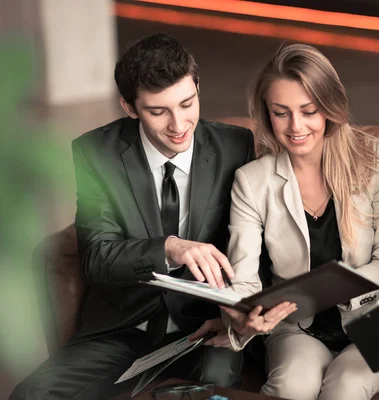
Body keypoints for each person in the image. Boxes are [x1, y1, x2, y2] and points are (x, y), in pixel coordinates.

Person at [10, 33, 254, 400]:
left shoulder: (236, 146)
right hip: (123, 328)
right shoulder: (96, 152)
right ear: (129, 107)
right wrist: (169, 248)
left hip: (205, 329)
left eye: (187, 103)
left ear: (198, 86)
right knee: (32, 393)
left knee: (212, 389)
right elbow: (96, 257)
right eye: (158, 111)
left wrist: (233, 319)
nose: (178, 124)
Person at [208, 43, 379, 400]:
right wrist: (246, 317)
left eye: (309, 111)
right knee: (291, 386)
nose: (296, 127)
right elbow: (244, 277)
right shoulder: (253, 181)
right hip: (297, 328)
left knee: (345, 385)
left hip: (376, 320)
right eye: (281, 113)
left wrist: (341, 288)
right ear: (267, 114)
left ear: (330, 107)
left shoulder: (372, 158)